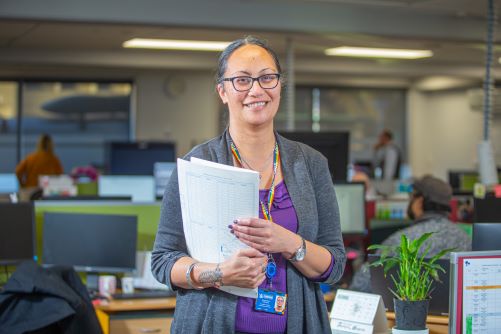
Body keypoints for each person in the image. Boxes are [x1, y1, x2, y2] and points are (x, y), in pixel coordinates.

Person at [151, 36, 346, 334]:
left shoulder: (311, 164)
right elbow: (163, 261)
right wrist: (218, 273)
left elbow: (336, 264)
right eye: (242, 80)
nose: (256, 90)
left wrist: (290, 243)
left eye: (267, 78)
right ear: (223, 91)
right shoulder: (197, 165)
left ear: (280, 85)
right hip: (211, 324)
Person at [349, 175, 471, 293]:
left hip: (408, 312)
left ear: (419, 202)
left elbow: (361, 284)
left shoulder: (403, 241)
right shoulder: (465, 238)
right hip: (454, 313)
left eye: (411, 196)